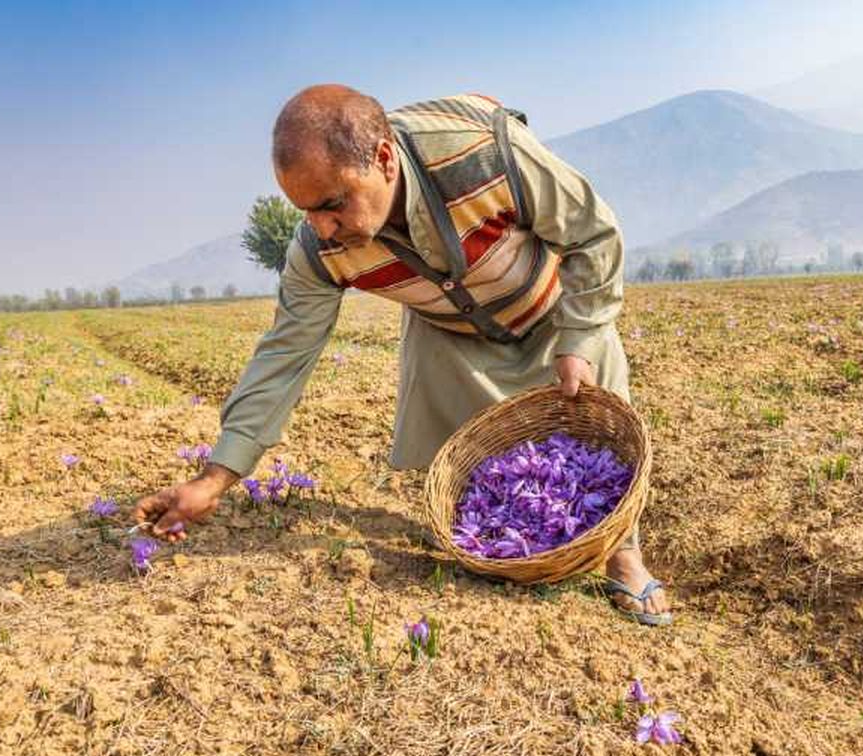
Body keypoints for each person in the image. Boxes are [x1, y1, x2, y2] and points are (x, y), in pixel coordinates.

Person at [133, 86, 671, 625]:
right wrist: (214, 479)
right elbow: (285, 352)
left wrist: (577, 339)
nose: (322, 228)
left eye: (332, 204)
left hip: (551, 306)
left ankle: (623, 556)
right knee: (488, 468)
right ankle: (513, 551)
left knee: (596, 419)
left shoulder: (481, 149)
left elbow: (594, 235)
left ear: (385, 161)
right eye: (305, 211)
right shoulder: (318, 250)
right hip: (452, 338)